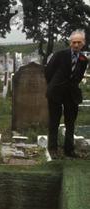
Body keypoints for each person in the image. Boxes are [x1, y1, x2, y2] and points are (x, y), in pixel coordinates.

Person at [45, 29, 89, 158]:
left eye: (79, 42)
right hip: (56, 92)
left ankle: (69, 150)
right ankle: (52, 149)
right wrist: (54, 84)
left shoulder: (83, 59)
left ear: (83, 44)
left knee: (70, 123)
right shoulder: (60, 55)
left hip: (72, 94)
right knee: (54, 121)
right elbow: (48, 72)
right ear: (70, 43)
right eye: (74, 42)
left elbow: (79, 76)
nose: (76, 45)